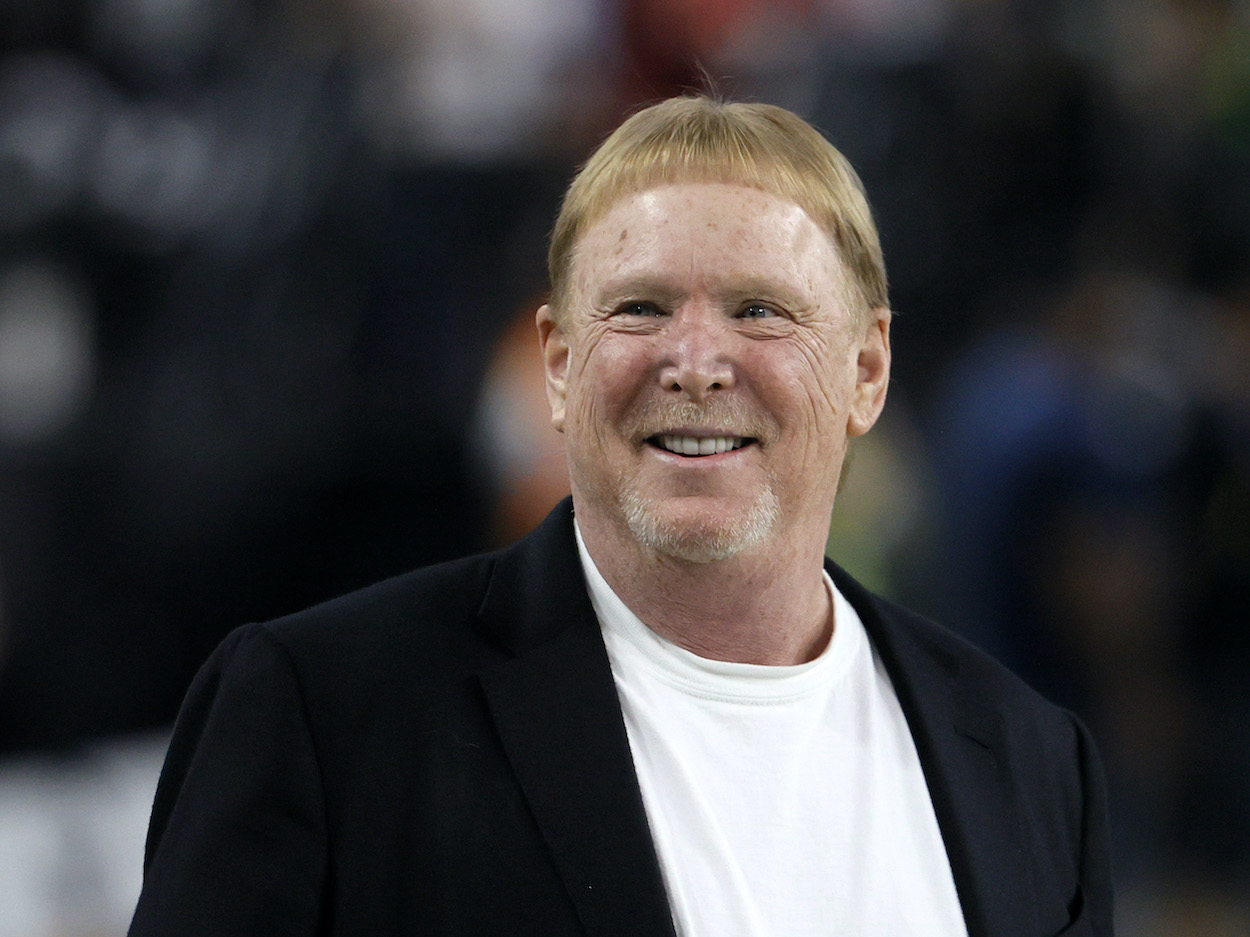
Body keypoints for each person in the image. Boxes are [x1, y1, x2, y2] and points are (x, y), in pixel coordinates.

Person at [128, 95, 1113, 937]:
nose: (691, 358)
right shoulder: (319, 711)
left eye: (760, 309)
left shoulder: (1031, 762)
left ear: (866, 369)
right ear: (555, 366)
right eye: (639, 308)